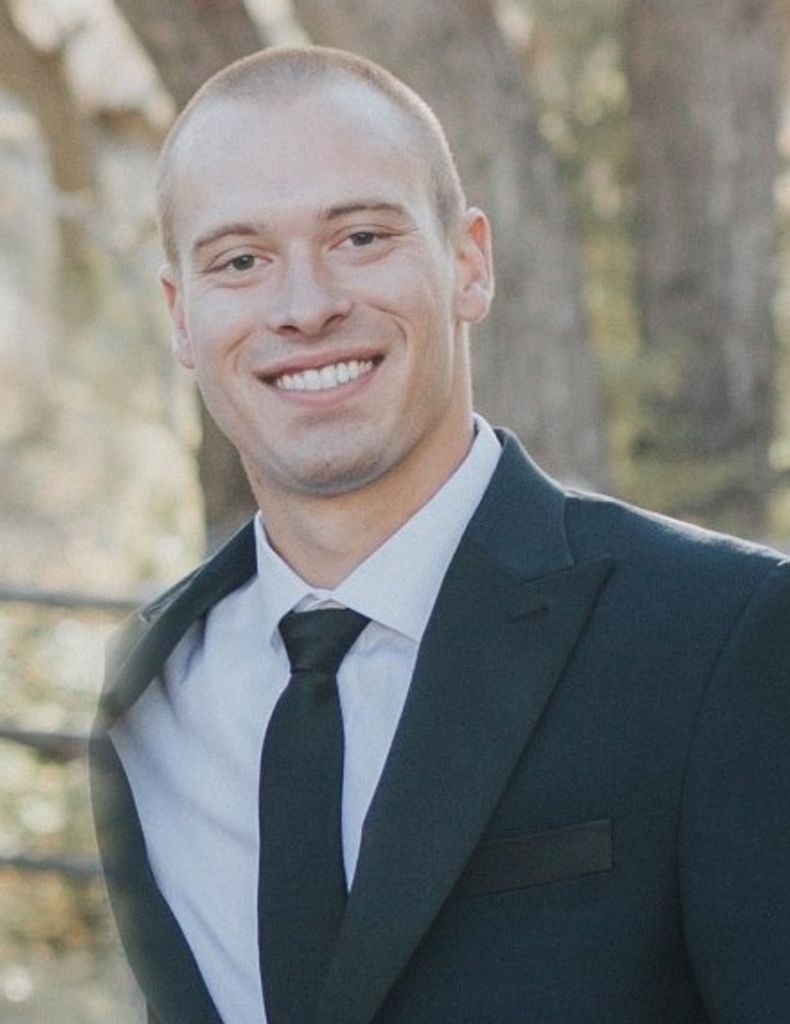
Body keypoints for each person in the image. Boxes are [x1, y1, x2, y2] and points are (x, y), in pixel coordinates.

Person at [90, 45, 790, 1024]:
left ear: (469, 263)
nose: (306, 306)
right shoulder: (152, 687)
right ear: (180, 315)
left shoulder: (725, 635)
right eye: (241, 261)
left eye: (360, 237)